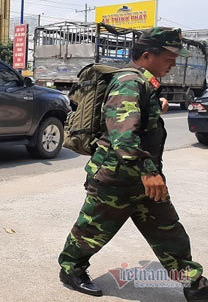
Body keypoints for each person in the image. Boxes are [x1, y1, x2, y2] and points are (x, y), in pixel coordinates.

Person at [58, 27, 207, 301]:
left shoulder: (143, 82)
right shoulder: (128, 81)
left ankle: (194, 284)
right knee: (92, 230)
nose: (174, 62)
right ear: (147, 55)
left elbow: (138, 123)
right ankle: (71, 269)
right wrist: (150, 172)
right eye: (170, 57)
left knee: (169, 231)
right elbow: (123, 135)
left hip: (140, 179)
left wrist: (153, 106)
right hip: (115, 179)